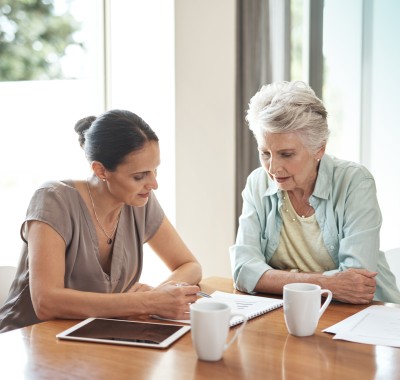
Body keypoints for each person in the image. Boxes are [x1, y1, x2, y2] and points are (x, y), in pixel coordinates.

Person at [0, 109, 202, 333]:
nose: (153, 184)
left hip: (94, 338)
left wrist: (160, 296)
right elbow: (45, 302)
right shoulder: (53, 199)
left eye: (155, 171)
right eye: (139, 176)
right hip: (27, 342)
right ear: (101, 170)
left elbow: (190, 265)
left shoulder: (139, 201)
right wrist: (149, 302)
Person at [230, 81, 400, 304]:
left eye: (286, 154)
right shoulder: (257, 183)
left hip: (365, 315)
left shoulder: (355, 183)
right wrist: (326, 284)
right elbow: (243, 270)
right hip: (294, 311)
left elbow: (356, 282)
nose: (272, 168)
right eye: (265, 153)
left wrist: (274, 279)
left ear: (319, 148)